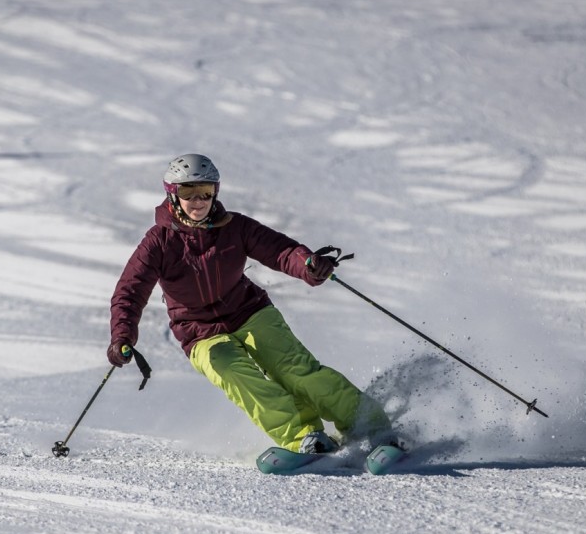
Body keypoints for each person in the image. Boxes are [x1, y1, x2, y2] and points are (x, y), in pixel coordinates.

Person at [107, 154, 394, 454]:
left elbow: (280, 250)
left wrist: (309, 264)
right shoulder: (159, 242)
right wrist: (122, 336)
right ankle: (305, 438)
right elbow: (130, 291)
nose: (198, 201)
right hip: (198, 331)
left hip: (249, 311)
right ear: (172, 195)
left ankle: (368, 424)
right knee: (234, 372)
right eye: (188, 192)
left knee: (296, 370)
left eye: (205, 191)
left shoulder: (235, 227)